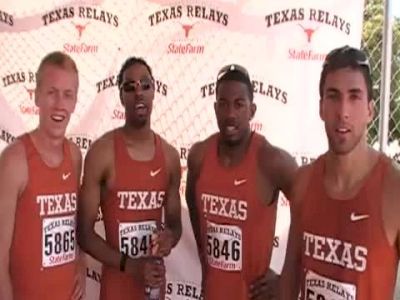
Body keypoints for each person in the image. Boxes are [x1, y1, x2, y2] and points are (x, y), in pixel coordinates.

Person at [279, 46, 400, 300]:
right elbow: (290, 275)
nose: (343, 112)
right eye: (333, 96)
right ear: (321, 107)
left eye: (354, 96)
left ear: (370, 110)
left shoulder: (393, 190)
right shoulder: (303, 182)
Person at [185, 64, 298, 300]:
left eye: (239, 104)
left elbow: (310, 214)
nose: (230, 114)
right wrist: (204, 257)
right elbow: (192, 202)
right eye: (223, 104)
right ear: (215, 108)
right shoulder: (199, 155)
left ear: (252, 110)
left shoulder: (272, 160)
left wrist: (287, 279)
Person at [78, 57, 182, 300]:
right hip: (116, 288)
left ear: (155, 91)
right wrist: (131, 265)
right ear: (121, 96)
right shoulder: (101, 153)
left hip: (153, 288)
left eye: (145, 85)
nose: (139, 93)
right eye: (130, 87)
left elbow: (175, 224)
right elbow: (84, 233)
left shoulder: (169, 157)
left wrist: (170, 237)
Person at [0, 51, 85, 300]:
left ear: (75, 101)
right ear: (36, 96)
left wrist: (82, 261)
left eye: (67, 95)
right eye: (51, 92)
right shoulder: (15, 160)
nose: (60, 104)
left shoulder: (75, 155)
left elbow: (75, 221)